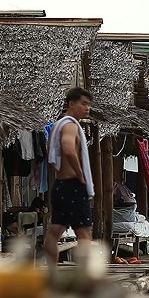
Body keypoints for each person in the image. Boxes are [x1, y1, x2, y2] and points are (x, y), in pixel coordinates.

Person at [45, 88, 94, 268]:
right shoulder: (70, 126)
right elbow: (67, 148)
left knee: (55, 230)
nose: (87, 108)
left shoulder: (56, 126)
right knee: (85, 233)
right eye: (83, 103)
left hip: (59, 184)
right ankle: (86, 275)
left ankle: (51, 271)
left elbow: (52, 159)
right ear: (71, 104)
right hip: (73, 185)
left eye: (89, 104)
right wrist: (80, 174)